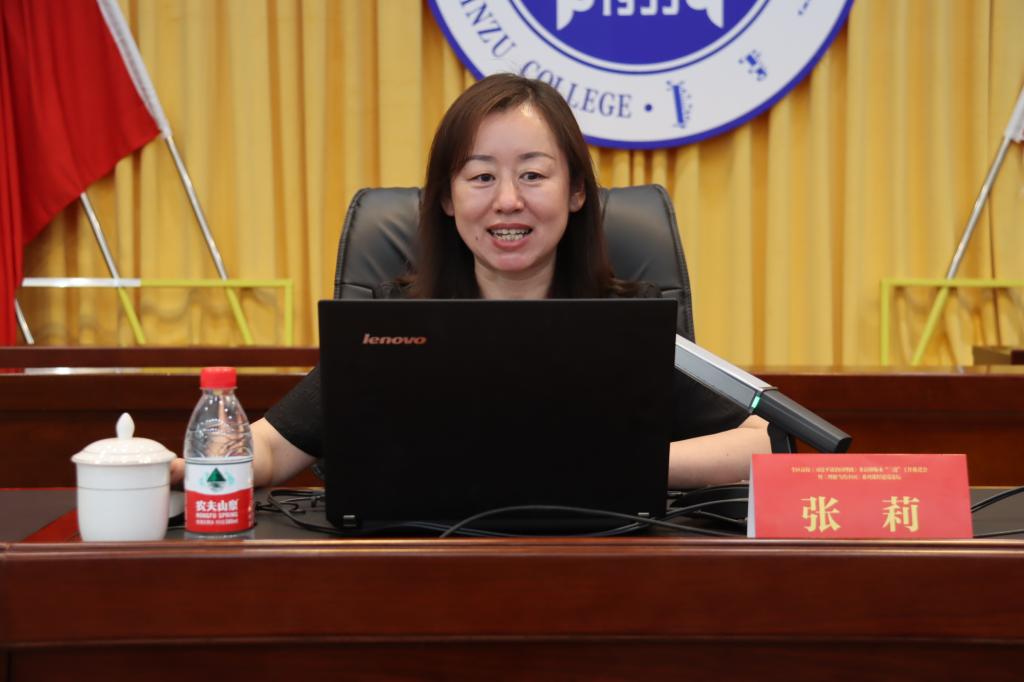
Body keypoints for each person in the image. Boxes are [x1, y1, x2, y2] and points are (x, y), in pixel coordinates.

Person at [182, 73, 770, 489]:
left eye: (533, 175)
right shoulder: (392, 324)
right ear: (446, 197)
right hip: (422, 576)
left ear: (575, 192)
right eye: (481, 177)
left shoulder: (629, 321)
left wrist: (620, 464)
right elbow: (273, 446)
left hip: (600, 576)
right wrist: (186, 467)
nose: (507, 201)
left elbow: (763, 440)